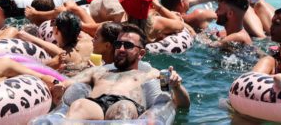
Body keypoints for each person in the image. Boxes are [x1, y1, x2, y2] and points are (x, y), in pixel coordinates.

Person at [54, 23, 189, 120]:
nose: (121, 49)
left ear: (141, 53)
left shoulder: (150, 73)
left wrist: (177, 86)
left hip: (127, 103)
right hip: (96, 104)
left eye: (128, 45)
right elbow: (67, 83)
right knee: (79, 105)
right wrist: (59, 86)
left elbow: (182, 104)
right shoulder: (98, 71)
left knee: (123, 108)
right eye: (118, 45)